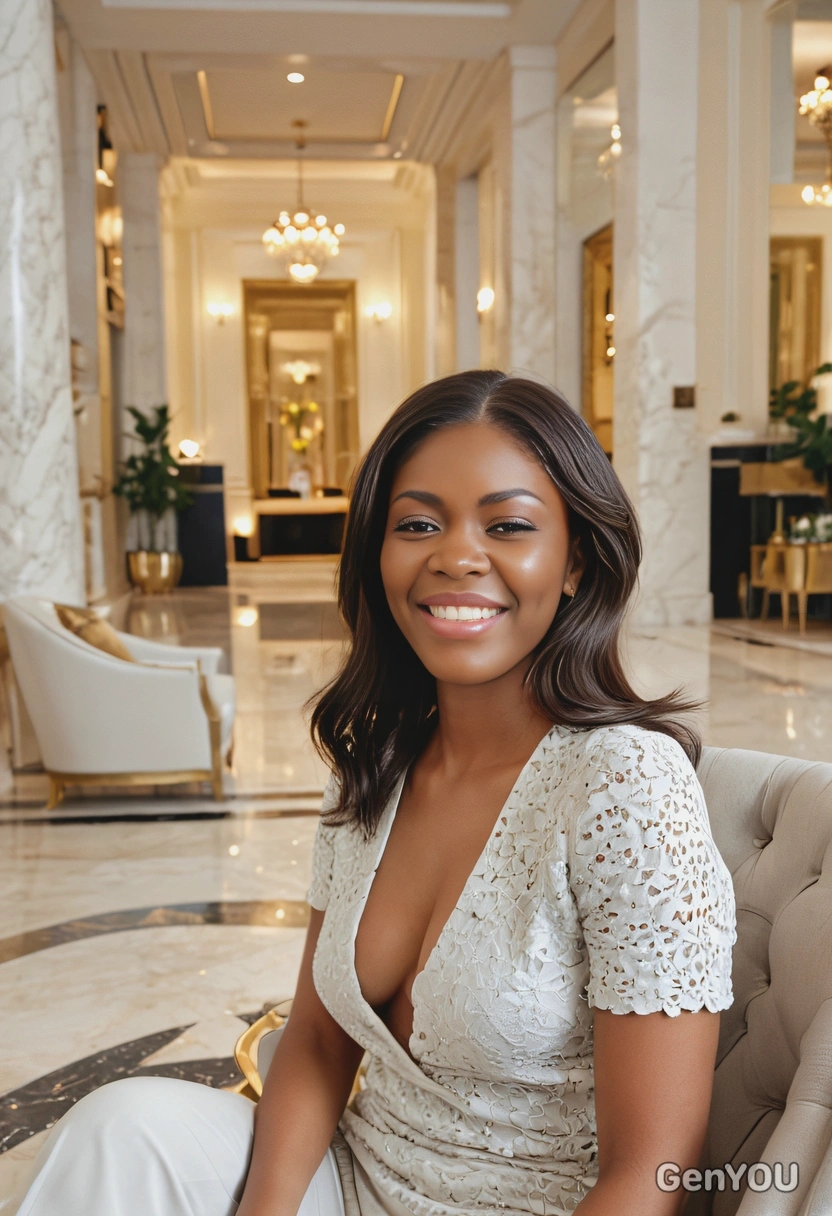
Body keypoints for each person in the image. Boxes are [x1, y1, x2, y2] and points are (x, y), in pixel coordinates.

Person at [17, 371, 736, 1216]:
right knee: (123, 1126)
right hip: (357, 1180)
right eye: (418, 523)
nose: (456, 556)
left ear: (576, 560)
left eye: (507, 525)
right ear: (378, 553)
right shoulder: (377, 764)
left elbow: (651, 1173)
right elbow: (319, 1045)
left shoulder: (624, 784)